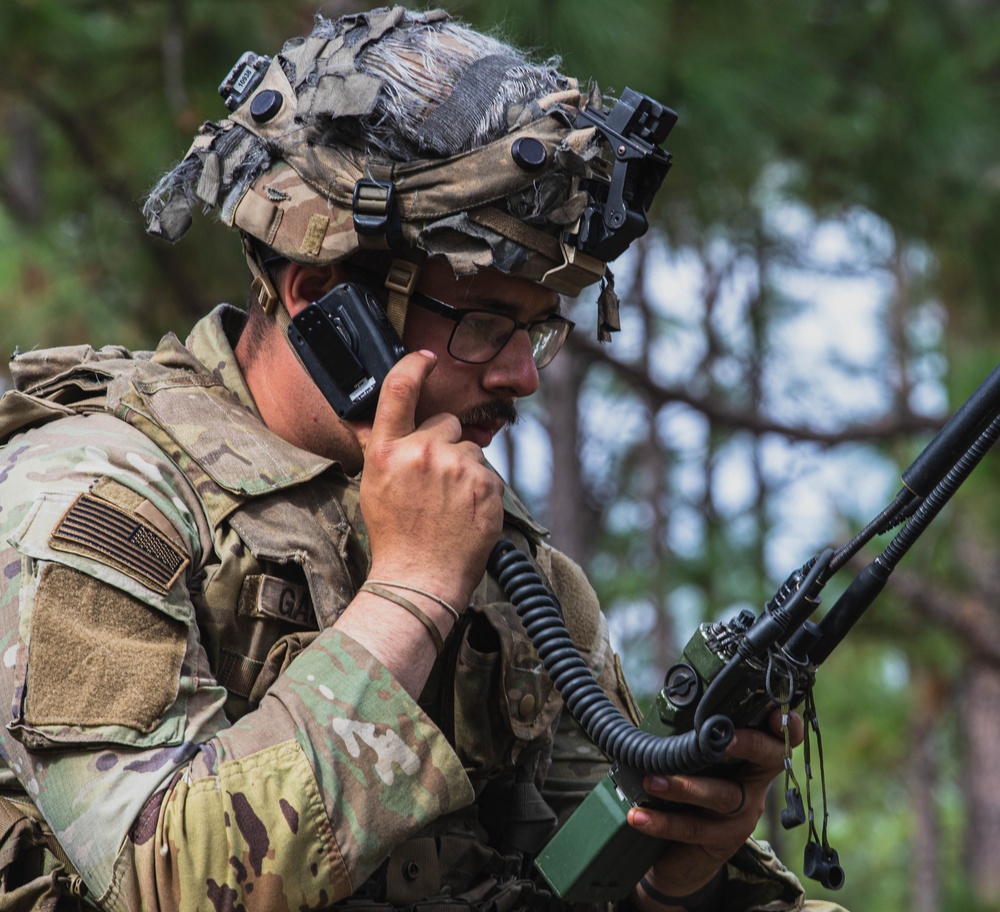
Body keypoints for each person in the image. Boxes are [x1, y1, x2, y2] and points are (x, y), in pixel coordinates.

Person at [0, 8, 848, 912]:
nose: (522, 375)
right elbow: (163, 883)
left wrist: (674, 880)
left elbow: (576, 881)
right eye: (485, 322)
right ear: (323, 298)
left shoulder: (511, 566)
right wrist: (410, 594)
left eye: (538, 329)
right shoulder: (97, 501)